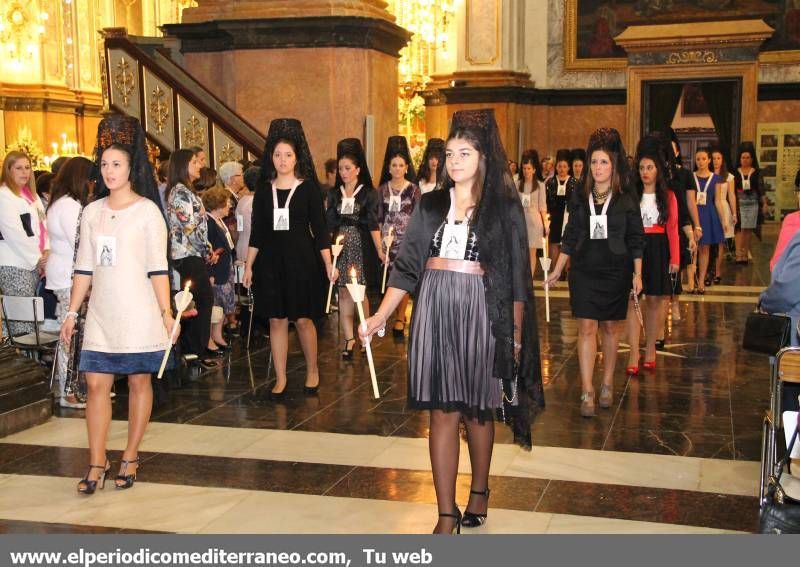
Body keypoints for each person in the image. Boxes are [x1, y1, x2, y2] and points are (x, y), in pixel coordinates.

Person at [359, 108, 543, 534]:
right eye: (451, 153)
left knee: (479, 410)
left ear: (483, 157)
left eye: (465, 152)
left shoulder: (503, 208)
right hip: (436, 311)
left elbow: (517, 276)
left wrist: (513, 336)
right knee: (441, 412)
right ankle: (446, 512)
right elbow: (406, 267)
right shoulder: (431, 203)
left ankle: (479, 489)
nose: (455, 160)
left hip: (483, 311)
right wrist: (381, 315)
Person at [59, 115, 175, 494]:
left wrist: (166, 312)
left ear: (131, 168)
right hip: (102, 315)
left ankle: (130, 455)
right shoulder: (91, 213)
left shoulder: (147, 212)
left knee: (140, 381)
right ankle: (96, 462)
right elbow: (83, 269)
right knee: (95, 385)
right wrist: (73, 312)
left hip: (139, 311)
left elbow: (159, 269)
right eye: (105, 164)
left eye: (117, 164)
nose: (109, 171)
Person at [546, 128, 644, 417]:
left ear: (613, 166)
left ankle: (606, 382)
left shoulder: (626, 197)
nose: (598, 168)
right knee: (587, 327)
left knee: (611, 328)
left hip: (616, 270)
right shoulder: (579, 194)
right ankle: (587, 389)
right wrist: (557, 268)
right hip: (585, 270)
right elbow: (571, 234)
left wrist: (637, 274)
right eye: (594, 162)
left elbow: (636, 238)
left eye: (603, 162)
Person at [243, 118, 335, 398]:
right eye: (278, 155)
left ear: (297, 159)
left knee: (304, 319)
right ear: (271, 158)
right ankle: (281, 377)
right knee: (276, 320)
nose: (282, 160)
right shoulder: (262, 190)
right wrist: (248, 266)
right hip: (270, 263)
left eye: (288, 155)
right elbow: (257, 232)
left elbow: (319, 231)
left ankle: (312, 370)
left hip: (302, 262)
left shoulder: (308, 189)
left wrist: (329, 264)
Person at [625, 136, 679, 374]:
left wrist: (675, 259)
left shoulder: (668, 197)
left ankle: (650, 349)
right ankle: (633, 352)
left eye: (650, 167)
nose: (645, 172)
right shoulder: (631, 196)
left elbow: (673, 230)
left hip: (658, 249)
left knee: (655, 301)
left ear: (658, 170)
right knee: (633, 301)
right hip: (635, 249)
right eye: (642, 168)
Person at [326, 138, 383, 359]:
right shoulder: (333, 194)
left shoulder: (368, 193)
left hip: (360, 245)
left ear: (358, 169)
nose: (343, 172)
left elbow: (372, 223)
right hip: (340, 245)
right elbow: (329, 222)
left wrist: (379, 249)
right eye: (340, 169)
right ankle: (349, 338)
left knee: (359, 292)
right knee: (342, 292)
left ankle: (364, 333)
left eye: (347, 168)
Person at [46, 156, 93, 409]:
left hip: (65, 274)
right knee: (70, 335)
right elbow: (80, 244)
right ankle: (69, 390)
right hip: (69, 276)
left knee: (75, 333)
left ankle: (77, 385)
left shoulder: (62, 203)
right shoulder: (70, 206)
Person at [166, 148, 220, 367]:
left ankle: (195, 350)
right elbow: (189, 227)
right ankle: (194, 350)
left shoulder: (185, 190)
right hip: (187, 254)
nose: (199, 165)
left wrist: (206, 248)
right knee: (203, 299)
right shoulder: (179, 192)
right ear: (182, 166)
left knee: (199, 300)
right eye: (194, 162)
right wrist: (207, 251)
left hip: (194, 252)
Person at [0, 151, 49, 336]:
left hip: (33, 262)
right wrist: (38, 258)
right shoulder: (4, 195)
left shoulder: (32, 196)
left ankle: (27, 361)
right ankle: (20, 362)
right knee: (21, 322)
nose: (24, 172)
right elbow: (14, 234)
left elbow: (44, 224)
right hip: (15, 264)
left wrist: (47, 252)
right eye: (19, 168)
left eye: (27, 167)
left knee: (30, 318)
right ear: (8, 170)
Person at [377, 135, 421, 338]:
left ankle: (400, 317)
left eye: (400, 165)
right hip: (387, 242)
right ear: (389, 168)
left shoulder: (413, 190)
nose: (396, 168)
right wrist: (380, 243)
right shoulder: (382, 190)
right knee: (388, 280)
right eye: (393, 165)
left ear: (406, 168)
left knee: (401, 278)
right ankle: (389, 314)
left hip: (406, 242)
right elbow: (378, 217)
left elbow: (418, 216)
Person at [202, 186, 236, 351]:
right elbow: (207, 250)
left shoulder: (219, 220)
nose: (229, 205)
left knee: (222, 306)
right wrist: (210, 274)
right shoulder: (208, 222)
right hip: (215, 271)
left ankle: (218, 335)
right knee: (213, 307)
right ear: (218, 203)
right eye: (227, 202)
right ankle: (209, 339)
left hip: (225, 268)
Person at [693, 147, 727, 294]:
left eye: (704, 159)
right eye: (698, 159)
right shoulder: (691, 176)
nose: (701, 162)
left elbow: (718, 201)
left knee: (705, 248)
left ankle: (701, 281)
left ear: (708, 160)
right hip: (694, 213)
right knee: (692, 249)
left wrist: (723, 220)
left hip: (708, 213)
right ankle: (691, 280)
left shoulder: (716, 179)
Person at [733, 142, 767, 264]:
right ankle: (738, 254)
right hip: (739, 201)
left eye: (748, 157)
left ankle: (745, 254)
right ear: (740, 159)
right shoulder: (735, 172)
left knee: (748, 229)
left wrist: (765, 203)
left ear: (752, 159)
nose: (745, 160)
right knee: (739, 228)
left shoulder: (757, 172)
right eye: (743, 157)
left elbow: (761, 188)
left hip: (753, 201)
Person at [517, 149, 548, 277]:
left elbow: (543, 207)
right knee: (520, 253)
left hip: (535, 224)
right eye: (524, 168)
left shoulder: (540, 185)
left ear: (534, 170)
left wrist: (546, 224)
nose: (526, 171)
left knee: (531, 253)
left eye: (529, 168)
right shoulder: (517, 183)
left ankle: (529, 281)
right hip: (520, 222)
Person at [545, 149, 578, 265]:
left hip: (568, 217)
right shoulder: (550, 182)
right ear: (556, 168)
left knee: (567, 244)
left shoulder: (574, 182)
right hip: (554, 217)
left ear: (569, 168)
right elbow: (547, 201)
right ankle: (555, 271)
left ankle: (566, 274)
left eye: (564, 166)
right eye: (560, 166)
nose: (562, 169)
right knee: (554, 244)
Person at [710, 146, 737, 285]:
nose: (716, 161)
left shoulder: (729, 176)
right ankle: (708, 271)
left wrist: (734, 213)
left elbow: (731, 195)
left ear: (722, 160)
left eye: (718, 158)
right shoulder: (708, 174)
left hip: (723, 207)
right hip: (709, 208)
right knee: (708, 243)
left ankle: (718, 272)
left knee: (720, 243)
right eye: (713, 158)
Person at [235, 166, 258, 271]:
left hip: (241, 245)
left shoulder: (242, 200)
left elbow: (239, 227)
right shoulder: (257, 202)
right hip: (254, 248)